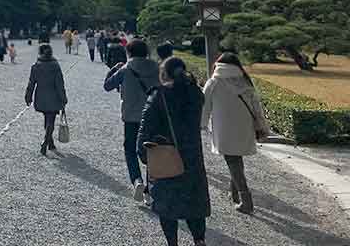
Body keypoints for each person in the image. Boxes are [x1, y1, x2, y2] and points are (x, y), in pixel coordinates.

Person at [138, 58, 210, 246]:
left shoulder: (159, 96)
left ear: (164, 73)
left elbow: (145, 129)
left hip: (165, 157)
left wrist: (143, 154)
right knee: (194, 204)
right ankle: (199, 239)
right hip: (192, 157)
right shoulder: (195, 93)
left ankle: (172, 242)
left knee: (167, 205)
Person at [202, 52, 271, 215]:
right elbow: (256, 106)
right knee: (236, 158)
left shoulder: (214, 82)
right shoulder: (245, 80)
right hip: (244, 126)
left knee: (232, 160)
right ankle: (234, 192)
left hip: (224, 128)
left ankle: (246, 200)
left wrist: (201, 125)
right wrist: (261, 125)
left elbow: (204, 107)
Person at [104, 39, 160, 202]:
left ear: (129, 52)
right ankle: (150, 190)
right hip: (152, 115)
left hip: (131, 116)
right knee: (152, 150)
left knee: (130, 149)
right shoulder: (156, 68)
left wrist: (114, 68)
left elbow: (107, 86)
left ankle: (137, 180)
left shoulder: (125, 69)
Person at [25, 44, 68, 156]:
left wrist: (28, 96)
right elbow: (60, 84)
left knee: (47, 119)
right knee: (51, 120)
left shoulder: (36, 66)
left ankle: (50, 142)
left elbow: (31, 83)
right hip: (53, 96)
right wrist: (63, 98)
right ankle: (45, 142)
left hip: (41, 96)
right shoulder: (55, 66)